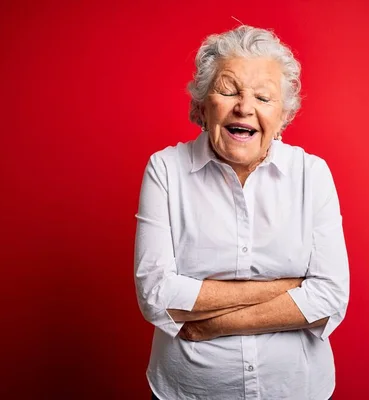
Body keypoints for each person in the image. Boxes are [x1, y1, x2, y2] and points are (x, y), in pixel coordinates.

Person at [134, 25, 349, 400]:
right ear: (200, 106)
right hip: (188, 392)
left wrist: (210, 326)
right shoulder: (165, 170)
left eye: (263, 97)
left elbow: (330, 297)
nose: (245, 107)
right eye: (229, 90)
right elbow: (156, 295)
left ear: (283, 117)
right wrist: (286, 288)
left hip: (297, 389)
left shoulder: (312, 174)